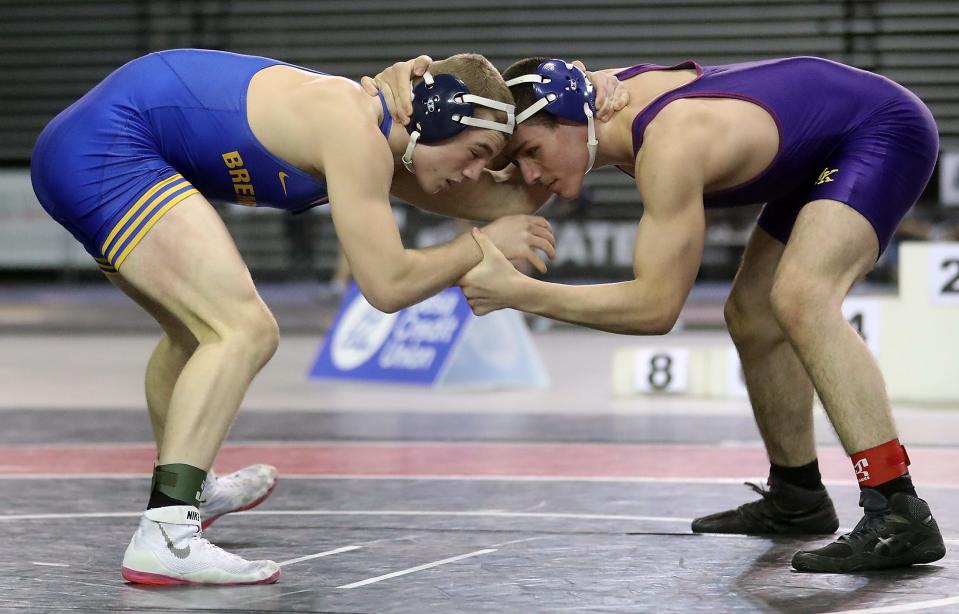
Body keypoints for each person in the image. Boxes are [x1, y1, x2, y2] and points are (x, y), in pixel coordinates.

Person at [30, 48, 563, 586]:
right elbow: (387, 285)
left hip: (90, 147)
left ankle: (191, 484)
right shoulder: (354, 131)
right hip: (109, 146)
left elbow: (504, 201)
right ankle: (167, 531)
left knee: (194, 333)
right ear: (438, 117)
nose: (476, 172)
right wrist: (479, 248)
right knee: (243, 328)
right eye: (475, 153)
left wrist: (587, 142)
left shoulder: (392, 144)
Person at [449, 56, 945, 573]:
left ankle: (898, 507)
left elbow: (656, 308)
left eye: (531, 153)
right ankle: (797, 495)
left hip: (878, 127)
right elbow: (484, 172)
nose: (529, 176)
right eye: (516, 161)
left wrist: (520, 292)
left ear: (577, 119)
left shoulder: (670, 144)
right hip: (816, 143)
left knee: (803, 296)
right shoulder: (587, 105)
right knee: (752, 315)